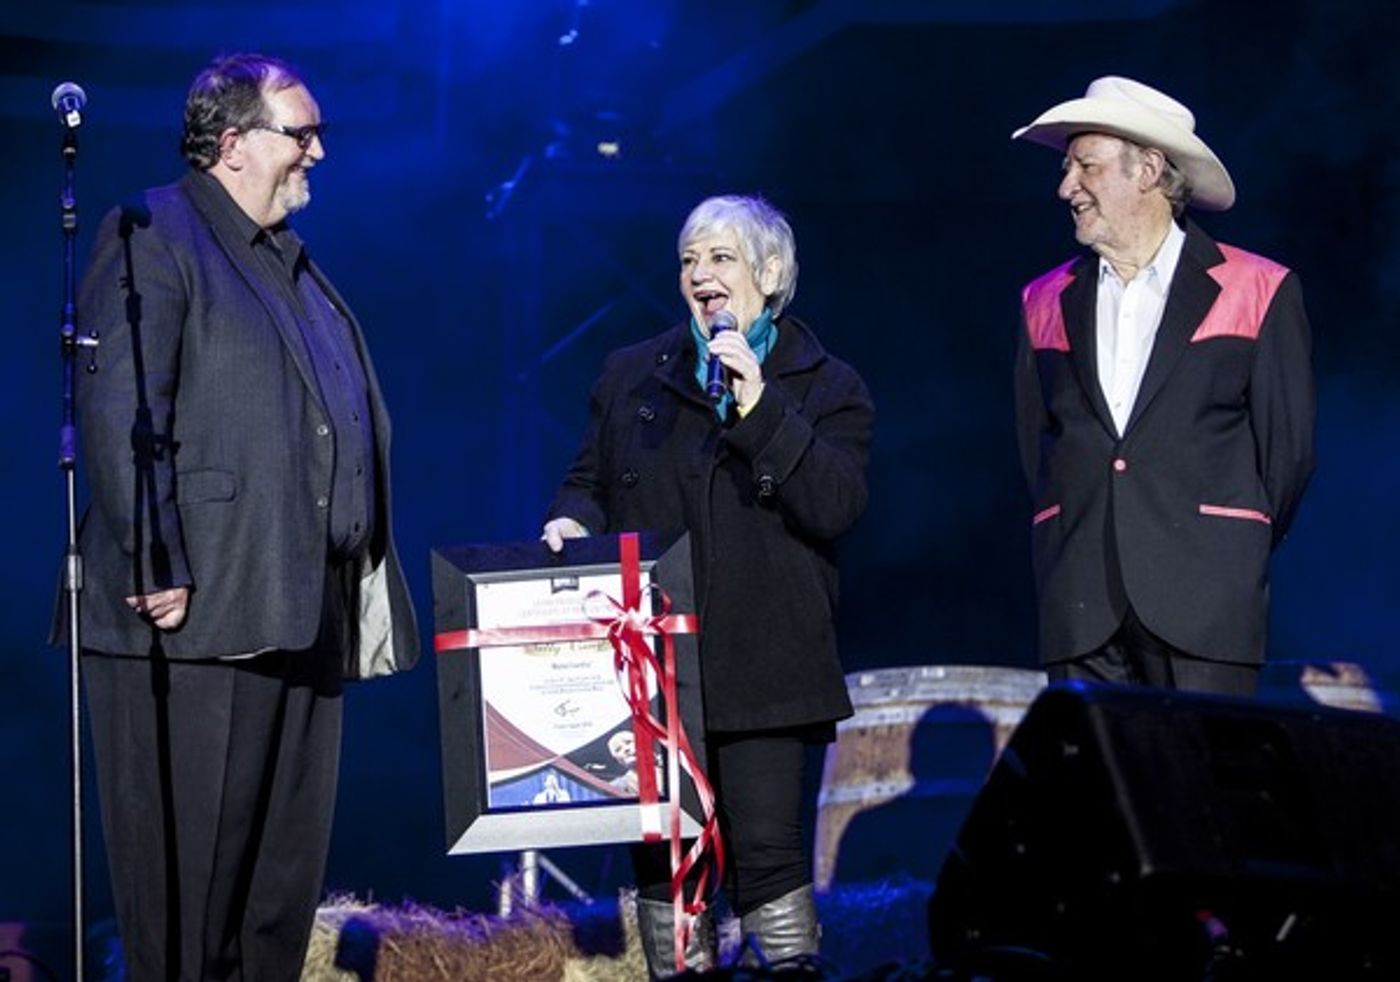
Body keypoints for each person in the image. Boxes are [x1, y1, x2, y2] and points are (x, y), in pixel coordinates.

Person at [69, 53, 419, 979]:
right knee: (192, 910)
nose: (318, 153)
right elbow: (121, 410)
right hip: (195, 618)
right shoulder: (154, 233)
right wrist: (154, 562)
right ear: (231, 144)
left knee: (275, 901)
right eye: (300, 134)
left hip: (299, 613)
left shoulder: (286, 263)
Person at [542, 195, 873, 975]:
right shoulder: (632, 375)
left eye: (720, 258)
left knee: (766, 853)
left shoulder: (827, 385)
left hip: (770, 665)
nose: (699, 274)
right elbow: (586, 479)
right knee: (664, 865)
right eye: (689, 259)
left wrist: (759, 405)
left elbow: (836, 504)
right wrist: (572, 522)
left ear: (771, 272)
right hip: (656, 669)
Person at [1011, 76, 1315, 697]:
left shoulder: (1257, 288)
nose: (1065, 186)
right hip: (1081, 606)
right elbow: (1037, 448)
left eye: (1085, 167)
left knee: (1204, 790)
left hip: (1206, 609)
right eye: (1069, 168)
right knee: (1096, 793)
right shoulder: (1043, 300)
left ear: (1148, 170)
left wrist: (1228, 546)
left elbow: (1287, 458)